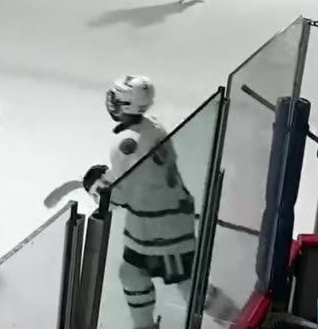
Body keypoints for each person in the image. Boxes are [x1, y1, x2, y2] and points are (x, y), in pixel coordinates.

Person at [84, 76, 240, 329]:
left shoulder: (128, 145)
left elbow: (119, 197)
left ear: (128, 105)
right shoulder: (151, 126)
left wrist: (96, 187)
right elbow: (141, 178)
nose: (111, 102)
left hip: (160, 228)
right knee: (133, 275)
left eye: (117, 98)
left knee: (188, 285)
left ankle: (241, 321)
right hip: (160, 220)